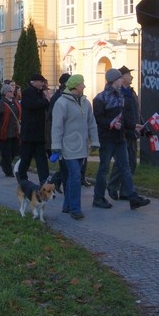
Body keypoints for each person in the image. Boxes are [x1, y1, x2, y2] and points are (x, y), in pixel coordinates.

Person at [93, 69, 150, 210]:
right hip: (107, 139)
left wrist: (132, 126)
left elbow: (122, 118)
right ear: (113, 80)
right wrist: (111, 124)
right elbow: (99, 119)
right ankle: (98, 198)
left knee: (125, 167)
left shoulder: (120, 96)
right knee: (104, 168)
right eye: (119, 79)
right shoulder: (100, 98)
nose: (121, 81)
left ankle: (132, 197)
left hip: (121, 138)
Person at [50, 74, 99, 220]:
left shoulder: (85, 102)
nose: (84, 86)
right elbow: (57, 127)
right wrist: (56, 145)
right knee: (76, 176)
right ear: (75, 86)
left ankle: (67, 205)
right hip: (67, 146)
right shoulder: (61, 103)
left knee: (72, 176)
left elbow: (92, 123)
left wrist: (95, 140)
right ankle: (75, 208)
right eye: (82, 84)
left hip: (81, 146)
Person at [108, 65, 144, 201]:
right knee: (122, 162)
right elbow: (120, 114)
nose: (132, 76)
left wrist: (142, 124)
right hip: (124, 131)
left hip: (134, 131)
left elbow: (137, 111)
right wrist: (131, 125)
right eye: (129, 74)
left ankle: (125, 191)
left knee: (132, 162)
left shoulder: (132, 92)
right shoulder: (119, 94)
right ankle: (112, 186)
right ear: (122, 78)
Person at [17, 74, 52, 186]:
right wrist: (46, 101)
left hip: (39, 132)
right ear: (34, 82)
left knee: (41, 158)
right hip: (29, 132)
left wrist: (47, 98)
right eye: (41, 82)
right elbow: (31, 105)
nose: (43, 84)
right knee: (26, 157)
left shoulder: (40, 93)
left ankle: (44, 179)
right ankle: (21, 175)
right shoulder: (27, 92)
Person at [0, 82, 21, 177]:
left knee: (15, 151)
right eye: (10, 91)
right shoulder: (0, 104)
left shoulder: (15, 102)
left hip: (15, 131)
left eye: (12, 90)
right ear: (4, 93)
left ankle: (4, 163)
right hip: (4, 132)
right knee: (6, 152)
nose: (12, 92)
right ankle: (8, 171)